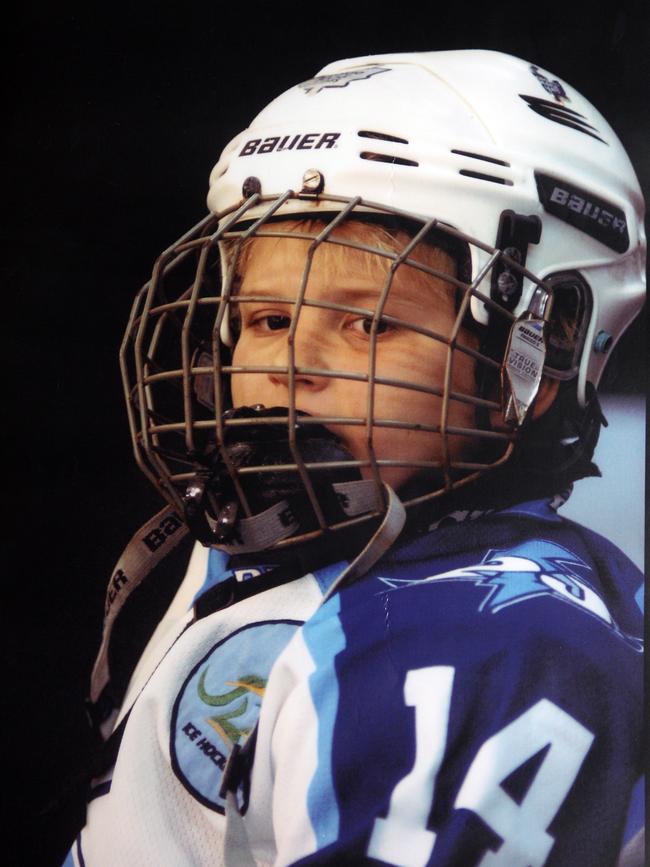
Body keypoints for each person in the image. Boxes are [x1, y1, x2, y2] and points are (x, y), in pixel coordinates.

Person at [64, 50, 644, 866]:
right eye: (266, 318)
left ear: (535, 365)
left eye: (368, 324)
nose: (289, 362)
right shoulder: (252, 537)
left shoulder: (491, 644)